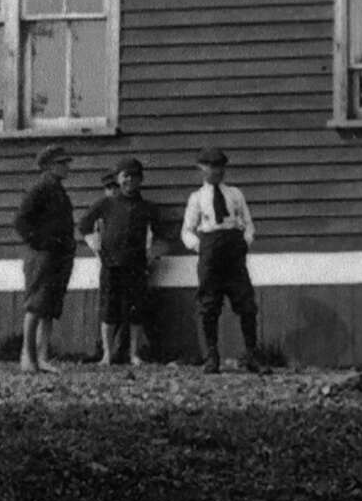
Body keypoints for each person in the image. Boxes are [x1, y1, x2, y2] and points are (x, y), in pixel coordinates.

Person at [81, 156, 168, 367]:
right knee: (109, 310)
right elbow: (84, 226)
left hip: (137, 266)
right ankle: (107, 355)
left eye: (134, 176)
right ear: (118, 179)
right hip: (111, 265)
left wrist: (151, 255)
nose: (130, 180)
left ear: (140, 180)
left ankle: (134, 354)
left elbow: (163, 234)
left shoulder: (147, 207)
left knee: (136, 310)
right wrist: (97, 247)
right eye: (125, 176)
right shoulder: (106, 204)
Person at [181, 149, 263, 370]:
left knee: (246, 305)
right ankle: (212, 357)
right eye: (211, 167)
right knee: (209, 305)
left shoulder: (235, 194)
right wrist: (201, 247)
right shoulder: (196, 198)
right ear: (201, 169)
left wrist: (245, 242)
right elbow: (187, 231)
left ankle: (252, 356)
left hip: (234, 252)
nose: (216, 171)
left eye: (220, 167)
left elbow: (248, 223)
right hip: (210, 252)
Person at [13, 144, 79, 372]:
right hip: (42, 255)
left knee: (49, 307)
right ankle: (28, 358)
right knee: (36, 305)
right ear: (49, 166)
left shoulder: (57, 190)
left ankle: (42, 356)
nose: (66, 167)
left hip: (58, 256)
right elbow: (21, 221)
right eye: (62, 163)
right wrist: (41, 243)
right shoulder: (40, 189)